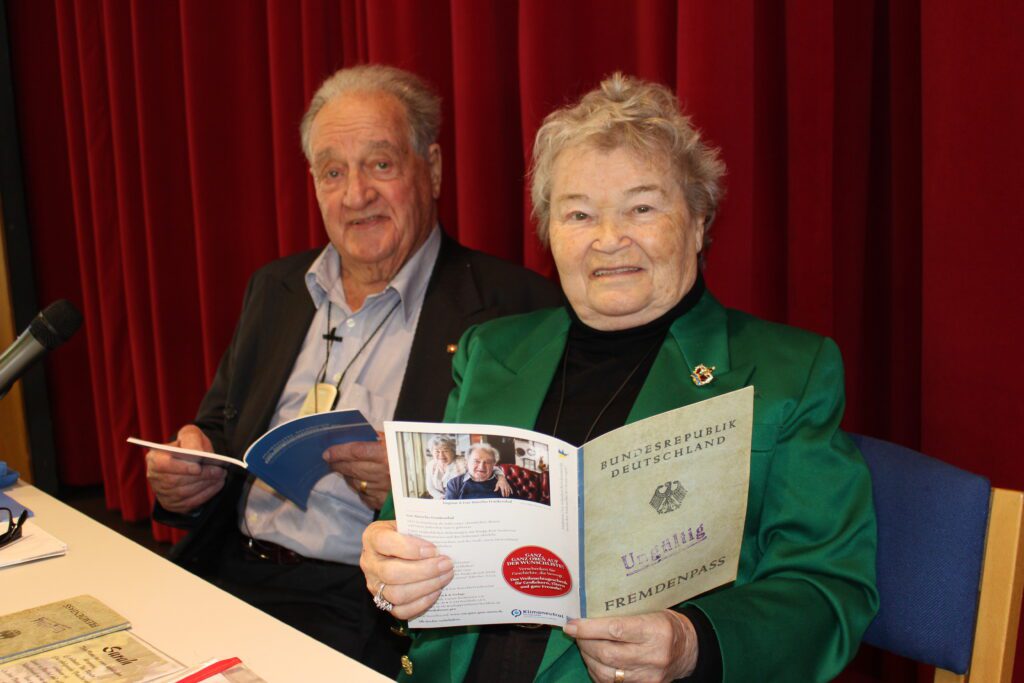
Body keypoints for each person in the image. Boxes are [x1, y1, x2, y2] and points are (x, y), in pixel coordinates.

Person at [360, 73, 878, 682]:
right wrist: (388, 565)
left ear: (699, 219)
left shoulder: (787, 373)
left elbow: (828, 589)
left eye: (642, 207)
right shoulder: (490, 350)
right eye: (579, 214)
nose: (609, 239)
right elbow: (407, 524)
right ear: (549, 233)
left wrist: (691, 643)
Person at [143, 64, 559, 675]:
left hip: (373, 609)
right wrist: (188, 476)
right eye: (333, 172)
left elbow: (532, 503)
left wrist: (412, 489)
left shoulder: (514, 311)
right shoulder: (277, 288)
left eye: (380, 164)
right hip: (227, 571)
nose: (356, 195)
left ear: (433, 168)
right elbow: (220, 434)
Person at [424, 435, 511, 499]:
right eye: (437, 451)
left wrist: (501, 478)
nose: (441, 455)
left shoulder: (463, 462)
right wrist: (441, 498)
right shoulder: (430, 465)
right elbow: (430, 488)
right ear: (432, 452)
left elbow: (489, 468)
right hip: (440, 500)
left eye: (445, 451)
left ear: (453, 451)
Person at [444, 443, 512, 500]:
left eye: (488, 462)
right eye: (476, 461)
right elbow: (450, 509)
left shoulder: (505, 484)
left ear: (494, 464)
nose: (481, 467)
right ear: (467, 462)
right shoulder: (454, 484)